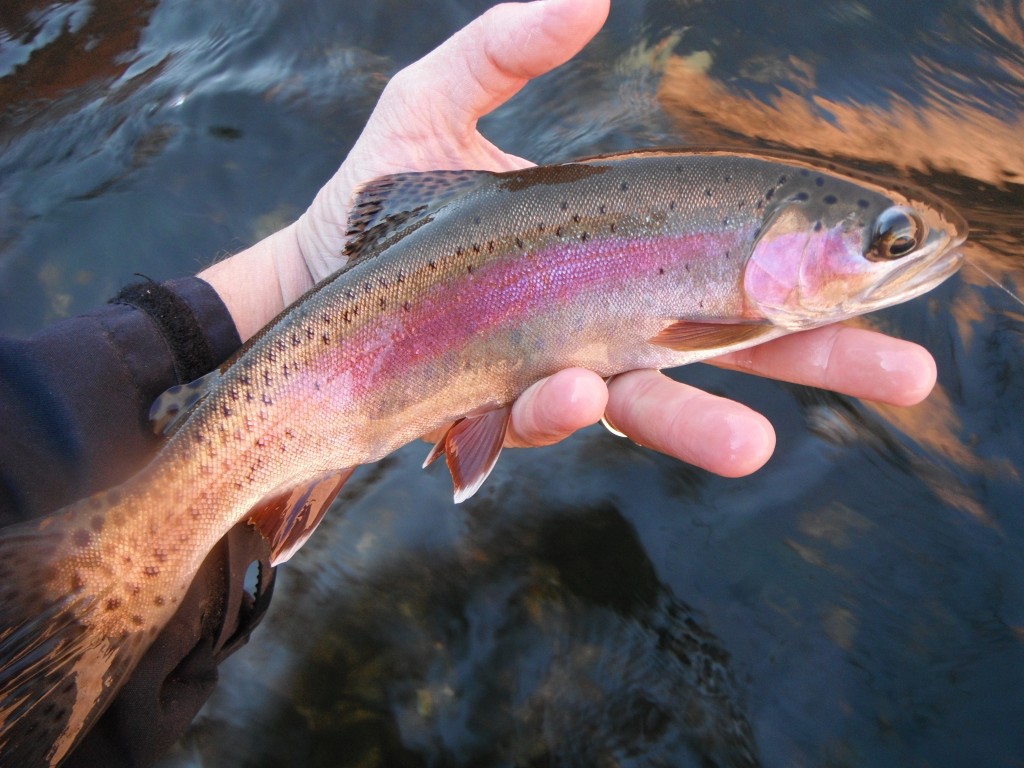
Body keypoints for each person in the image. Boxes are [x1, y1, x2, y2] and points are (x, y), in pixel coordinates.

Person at [0, 0, 938, 764]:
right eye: (888, 242)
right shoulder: (724, 293)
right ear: (784, 238)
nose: (901, 255)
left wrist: (283, 285)